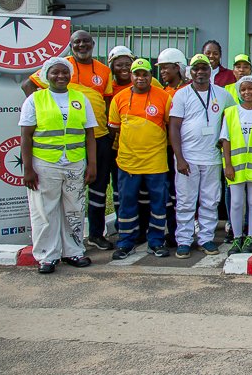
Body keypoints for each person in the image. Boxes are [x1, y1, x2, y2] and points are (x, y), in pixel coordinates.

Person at [22, 30, 115, 251]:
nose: (82, 45)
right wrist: (44, 110)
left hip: (98, 136)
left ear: (93, 43)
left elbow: (106, 101)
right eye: (77, 42)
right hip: (63, 148)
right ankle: (50, 250)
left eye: (86, 41)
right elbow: (27, 84)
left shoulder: (104, 70)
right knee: (55, 201)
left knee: (97, 188)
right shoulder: (61, 66)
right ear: (71, 46)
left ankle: (95, 235)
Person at [19, 57, 97, 273]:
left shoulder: (80, 99)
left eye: (65, 72)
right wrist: (28, 169)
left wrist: (92, 164)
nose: (60, 76)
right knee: (44, 210)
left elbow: (90, 134)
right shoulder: (35, 99)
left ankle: (73, 251)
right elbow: (26, 136)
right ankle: (47, 256)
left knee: (75, 209)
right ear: (47, 75)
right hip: (45, 164)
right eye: (55, 72)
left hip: (74, 162)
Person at [169, 54, 234, 258]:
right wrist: (179, 158)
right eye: (196, 69)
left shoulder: (222, 94)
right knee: (186, 201)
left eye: (204, 68)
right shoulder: (181, 95)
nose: (200, 72)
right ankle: (184, 240)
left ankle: (206, 238)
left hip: (212, 157)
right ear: (190, 72)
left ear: (210, 71)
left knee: (210, 200)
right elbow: (174, 127)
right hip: (188, 157)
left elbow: (233, 119)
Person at [108, 58, 172, 259]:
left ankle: (156, 241)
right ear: (131, 76)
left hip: (156, 162)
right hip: (128, 163)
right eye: (137, 74)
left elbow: (170, 126)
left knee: (158, 204)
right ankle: (126, 242)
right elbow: (113, 130)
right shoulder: (119, 98)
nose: (141, 78)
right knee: (127, 204)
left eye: (145, 74)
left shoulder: (163, 97)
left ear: (151, 76)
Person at [220, 75, 252, 256]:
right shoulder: (231, 112)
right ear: (239, 92)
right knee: (236, 202)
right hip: (236, 165)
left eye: (251, 88)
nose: (247, 92)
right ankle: (237, 237)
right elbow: (225, 140)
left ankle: (251, 237)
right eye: (243, 89)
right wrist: (228, 165)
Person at [156, 48, 188, 245]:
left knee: (182, 193)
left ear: (177, 67)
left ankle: (183, 230)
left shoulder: (189, 90)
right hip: (165, 149)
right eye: (160, 68)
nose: (162, 72)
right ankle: (171, 230)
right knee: (168, 191)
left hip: (187, 149)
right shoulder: (161, 93)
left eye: (165, 67)